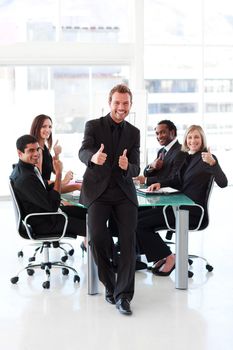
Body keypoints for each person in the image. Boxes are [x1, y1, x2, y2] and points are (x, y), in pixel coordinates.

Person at [79, 84, 140, 315]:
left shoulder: (134, 132)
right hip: (98, 192)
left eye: (125, 103)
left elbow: (135, 165)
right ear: (110, 102)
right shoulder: (93, 126)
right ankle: (111, 286)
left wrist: (128, 167)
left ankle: (124, 296)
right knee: (95, 236)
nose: (121, 107)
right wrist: (92, 158)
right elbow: (83, 150)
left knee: (127, 241)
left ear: (130, 105)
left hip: (124, 193)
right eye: (117, 102)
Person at [136, 125, 228, 276]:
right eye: (190, 137)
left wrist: (213, 163)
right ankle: (163, 255)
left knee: (139, 224)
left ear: (202, 139)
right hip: (178, 208)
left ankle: (168, 258)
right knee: (136, 219)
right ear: (186, 140)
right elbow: (177, 180)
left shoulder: (207, 158)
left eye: (196, 137)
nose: (193, 141)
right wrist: (160, 184)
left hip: (191, 212)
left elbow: (223, 183)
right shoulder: (188, 157)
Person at [10, 134, 86, 239]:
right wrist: (59, 173)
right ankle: (109, 252)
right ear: (19, 153)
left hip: (47, 216)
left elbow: (45, 186)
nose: (36, 153)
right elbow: (53, 206)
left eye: (37, 149)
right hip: (45, 223)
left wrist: (74, 185)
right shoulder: (26, 178)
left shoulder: (27, 169)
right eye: (31, 151)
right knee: (94, 227)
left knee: (87, 213)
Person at [30, 114, 81, 193]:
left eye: (50, 127)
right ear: (36, 128)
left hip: (47, 189)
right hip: (43, 192)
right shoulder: (38, 150)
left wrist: (56, 154)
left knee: (77, 186)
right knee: (77, 186)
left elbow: (54, 170)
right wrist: (63, 181)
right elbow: (40, 181)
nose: (48, 130)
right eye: (44, 126)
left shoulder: (44, 147)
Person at [135, 119, 184, 186]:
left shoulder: (181, 151)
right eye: (157, 133)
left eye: (163, 132)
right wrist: (152, 166)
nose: (159, 136)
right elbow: (146, 174)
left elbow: (173, 179)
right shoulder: (161, 151)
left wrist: (146, 180)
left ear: (172, 132)